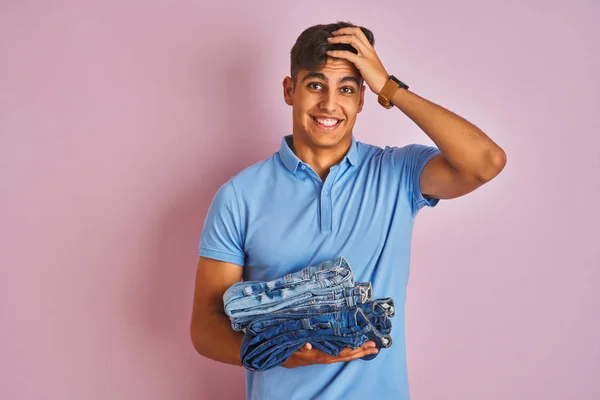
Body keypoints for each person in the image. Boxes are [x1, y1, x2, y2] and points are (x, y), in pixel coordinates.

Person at [190, 21, 506, 400]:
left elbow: (486, 162)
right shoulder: (239, 196)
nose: (329, 104)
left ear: (361, 99)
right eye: (315, 85)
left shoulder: (397, 174)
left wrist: (389, 86)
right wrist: (280, 353)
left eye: (346, 89)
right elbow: (207, 327)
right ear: (290, 91)